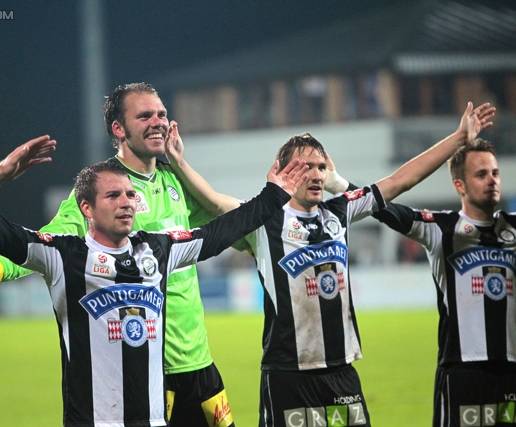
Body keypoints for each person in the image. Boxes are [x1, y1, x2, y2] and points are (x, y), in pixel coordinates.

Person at [166, 102, 495, 426]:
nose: (315, 174)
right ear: (283, 172)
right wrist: (179, 162)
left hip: (342, 373)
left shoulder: (341, 211)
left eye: (321, 167)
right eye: (304, 166)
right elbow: (213, 201)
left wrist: (458, 138)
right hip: (287, 374)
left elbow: (401, 180)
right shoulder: (264, 218)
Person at [0, 83, 240, 426]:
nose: (158, 121)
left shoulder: (174, 181)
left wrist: (182, 165)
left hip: (199, 361)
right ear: (119, 129)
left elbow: (228, 219)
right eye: (144, 115)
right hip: (149, 367)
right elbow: (46, 242)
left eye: (161, 114)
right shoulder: (103, 191)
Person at [0, 157, 307, 426]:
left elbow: (219, 233)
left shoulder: (158, 250)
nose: (126, 202)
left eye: (131, 194)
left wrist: (274, 194)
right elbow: (0, 233)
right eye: (113, 195)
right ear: (86, 207)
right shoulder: (63, 256)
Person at [372, 137, 515, 427]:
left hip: (511, 371)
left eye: (495, 173)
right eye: (481, 174)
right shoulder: (440, 229)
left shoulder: (513, 228)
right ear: (459, 185)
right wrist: (337, 184)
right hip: (462, 372)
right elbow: (381, 206)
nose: (491, 180)